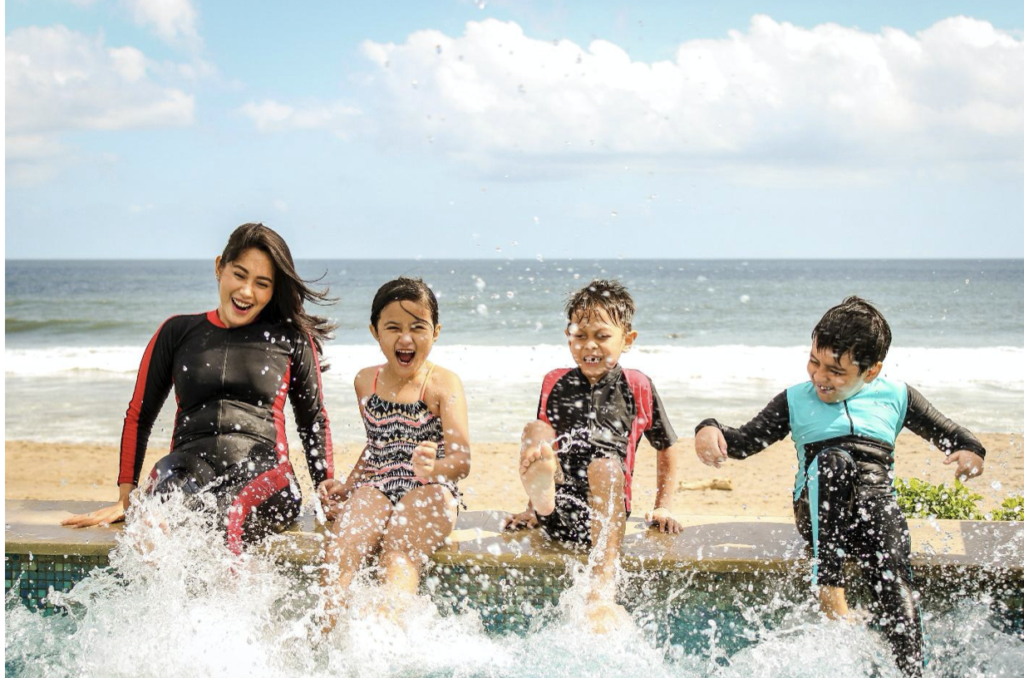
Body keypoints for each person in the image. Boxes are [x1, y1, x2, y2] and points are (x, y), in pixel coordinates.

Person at [694, 296, 986, 678]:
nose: (820, 376)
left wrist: (970, 452)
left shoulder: (897, 395)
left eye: (836, 370)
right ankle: (830, 591)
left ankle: (911, 669)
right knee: (834, 462)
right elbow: (746, 441)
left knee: (893, 565)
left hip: (874, 512)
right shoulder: (795, 399)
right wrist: (709, 427)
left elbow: (952, 434)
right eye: (814, 362)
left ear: (871, 371)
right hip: (818, 511)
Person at [62, 223, 337, 555]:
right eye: (240, 274)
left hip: (265, 473)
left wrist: (326, 490)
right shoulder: (177, 332)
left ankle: (231, 608)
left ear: (272, 290)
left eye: (261, 284)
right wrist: (126, 496)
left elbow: (313, 421)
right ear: (219, 267)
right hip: (186, 466)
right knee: (153, 521)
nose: (247, 291)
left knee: (227, 519)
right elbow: (139, 415)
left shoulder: (290, 339)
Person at [503, 279, 683, 632]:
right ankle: (539, 503)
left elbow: (667, 446)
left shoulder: (637, 385)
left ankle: (603, 583)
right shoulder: (554, 381)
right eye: (579, 335)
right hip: (559, 510)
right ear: (567, 336)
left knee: (604, 465)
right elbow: (544, 452)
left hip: (607, 516)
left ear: (627, 340)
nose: (590, 346)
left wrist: (664, 504)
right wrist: (530, 510)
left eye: (602, 336)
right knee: (535, 432)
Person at [318, 277, 470, 624]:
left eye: (418, 327)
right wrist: (350, 484)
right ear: (375, 331)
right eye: (393, 328)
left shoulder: (443, 383)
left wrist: (435, 469)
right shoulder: (365, 381)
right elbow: (376, 445)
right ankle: (325, 636)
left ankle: (390, 634)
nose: (405, 338)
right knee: (342, 547)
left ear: (436, 332)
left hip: (432, 489)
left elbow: (462, 462)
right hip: (379, 484)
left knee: (398, 552)